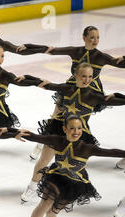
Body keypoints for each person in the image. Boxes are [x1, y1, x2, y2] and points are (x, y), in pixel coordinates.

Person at [16, 115, 125, 217]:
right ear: (64, 129)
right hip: (56, 177)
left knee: (52, 212)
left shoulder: (87, 148)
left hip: (74, 183)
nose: (76, 131)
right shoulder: (57, 141)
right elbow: (36, 137)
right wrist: (12, 131)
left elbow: (110, 152)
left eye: (79, 128)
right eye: (72, 128)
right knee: (45, 203)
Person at [20, 63, 125, 203]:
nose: (87, 80)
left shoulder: (94, 96)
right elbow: (46, 84)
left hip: (79, 133)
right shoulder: (67, 89)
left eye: (90, 77)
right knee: (44, 160)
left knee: (74, 165)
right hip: (59, 128)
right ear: (76, 76)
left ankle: (65, 191)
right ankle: (33, 186)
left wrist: (116, 94)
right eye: (83, 76)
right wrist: (27, 77)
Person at [29, 25, 125, 162]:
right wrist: (20, 47)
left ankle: (75, 150)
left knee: (81, 121)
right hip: (70, 89)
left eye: (97, 37)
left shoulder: (101, 57)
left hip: (91, 93)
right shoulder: (76, 51)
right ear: (84, 37)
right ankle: (42, 143)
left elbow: (119, 63)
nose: (95, 40)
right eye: (92, 37)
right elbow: (51, 50)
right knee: (56, 116)